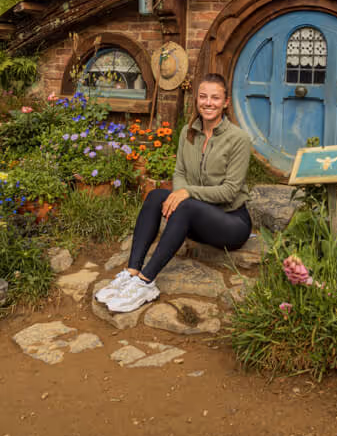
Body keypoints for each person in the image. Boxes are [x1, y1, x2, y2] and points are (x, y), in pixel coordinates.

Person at [96, 73, 252, 313]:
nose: (208, 103)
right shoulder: (187, 133)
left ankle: (146, 283)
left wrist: (186, 193)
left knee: (186, 203)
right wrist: (179, 193)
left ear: (225, 102)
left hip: (231, 223)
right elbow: (179, 171)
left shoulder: (238, 139)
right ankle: (132, 271)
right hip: (199, 218)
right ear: (196, 100)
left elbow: (230, 192)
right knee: (156, 195)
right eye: (203, 97)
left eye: (215, 98)